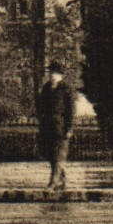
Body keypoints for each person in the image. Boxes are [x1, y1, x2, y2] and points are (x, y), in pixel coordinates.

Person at [36, 60, 76, 190]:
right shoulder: (46, 88)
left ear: (60, 75)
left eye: (54, 73)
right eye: (50, 73)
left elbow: (70, 111)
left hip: (61, 127)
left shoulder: (66, 89)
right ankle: (61, 180)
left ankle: (53, 182)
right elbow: (41, 106)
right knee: (50, 154)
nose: (51, 75)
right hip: (47, 126)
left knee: (58, 154)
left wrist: (69, 128)